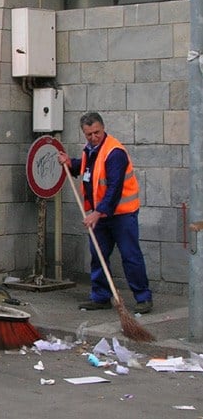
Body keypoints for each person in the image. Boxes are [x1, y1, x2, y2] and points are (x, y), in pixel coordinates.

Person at [57, 111, 153, 314]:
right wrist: (71, 163)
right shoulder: (89, 150)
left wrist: (97, 213)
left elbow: (114, 188)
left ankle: (143, 298)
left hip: (122, 215)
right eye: (89, 134)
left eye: (96, 133)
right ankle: (100, 297)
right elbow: (87, 171)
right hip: (100, 215)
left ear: (103, 128)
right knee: (98, 255)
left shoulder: (114, 153)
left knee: (130, 255)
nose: (93, 137)